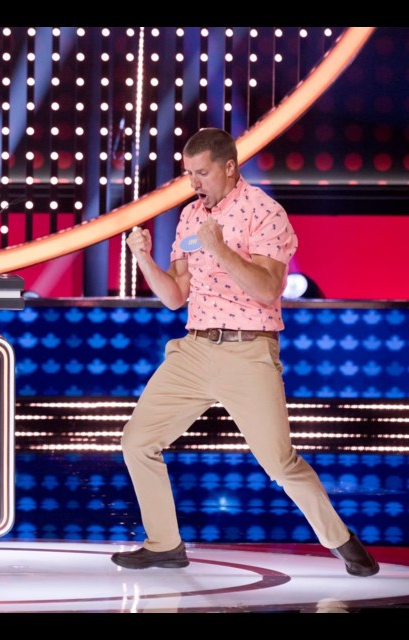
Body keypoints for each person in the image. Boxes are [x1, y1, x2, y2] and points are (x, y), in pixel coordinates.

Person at [113, 128, 379, 577]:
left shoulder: (265, 212)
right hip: (194, 349)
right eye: (188, 174)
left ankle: (341, 538)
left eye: (202, 172)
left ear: (229, 166)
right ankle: (165, 543)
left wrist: (219, 248)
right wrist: (143, 259)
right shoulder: (189, 217)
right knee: (137, 441)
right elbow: (175, 296)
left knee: (280, 461)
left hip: (248, 351)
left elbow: (269, 287)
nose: (194, 182)